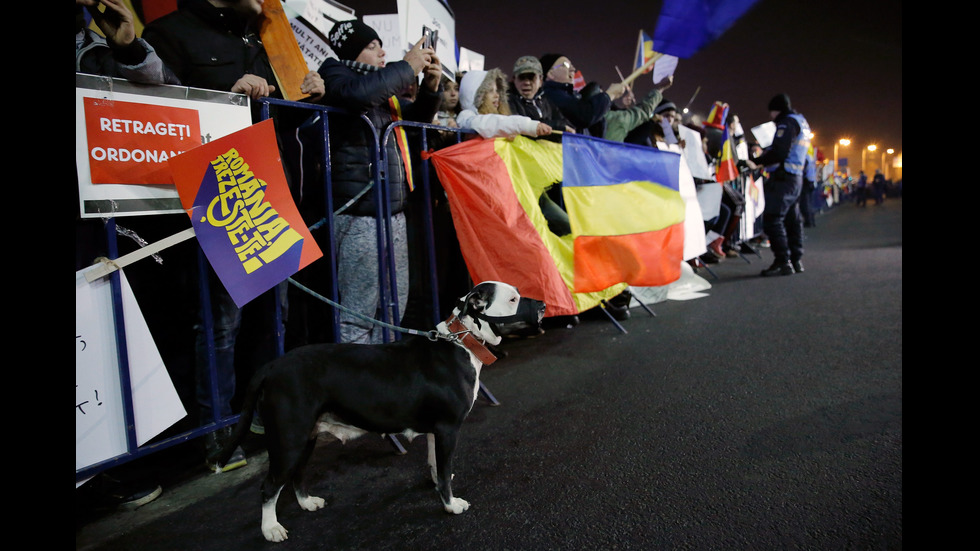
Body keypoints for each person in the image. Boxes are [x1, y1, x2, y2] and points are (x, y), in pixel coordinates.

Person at [142, 0, 327, 472]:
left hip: (269, 192)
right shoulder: (168, 31)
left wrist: (305, 98)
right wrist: (224, 95)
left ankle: (272, 416)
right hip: (216, 192)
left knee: (273, 316)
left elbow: (284, 120)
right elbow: (160, 111)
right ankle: (219, 435)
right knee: (222, 323)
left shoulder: (263, 32)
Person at [316, 19, 443, 344]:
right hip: (359, 213)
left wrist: (430, 88)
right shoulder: (335, 73)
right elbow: (357, 96)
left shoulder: (383, 88)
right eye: (372, 46)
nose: (382, 50)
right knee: (358, 315)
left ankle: (382, 379)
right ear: (352, 52)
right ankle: (356, 389)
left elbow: (414, 123)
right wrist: (407, 66)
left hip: (393, 212)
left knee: (393, 308)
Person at [746, 93, 811, 276]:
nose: (771, 118)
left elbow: (780, 152)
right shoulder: (802, 122)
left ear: (777, 110)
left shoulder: (787, 122)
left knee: (772, 218)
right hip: (795, 176)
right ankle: (796, 260)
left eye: (772, 113)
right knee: (792, 220)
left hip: (784, 178)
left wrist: (759, 161)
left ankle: (783, 261)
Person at [539, 53, 626, 135]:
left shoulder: (568, 96)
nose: (573, 69)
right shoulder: (551, 94)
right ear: (550, 73)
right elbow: (585, 116)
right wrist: (609, 95)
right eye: (566, 65)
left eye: (572, 66)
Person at [456, 68, 552, 139]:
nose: (497, 95)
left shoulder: (500, 119)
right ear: (475, 95)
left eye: (497, 91)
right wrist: (526, 125)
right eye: (490, 91)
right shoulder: (467, 116)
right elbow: (491, 123)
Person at [507, 56, 574, 133]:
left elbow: (567, 125)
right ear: (514, 80)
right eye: (522, 78)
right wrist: (555, 126)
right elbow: (520, 126)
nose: (527, 82)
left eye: (531, 77)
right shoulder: (508, 101)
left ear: (541, 80)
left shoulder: (547, 100)